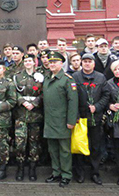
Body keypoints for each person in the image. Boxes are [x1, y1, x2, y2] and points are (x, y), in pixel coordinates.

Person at [72, 53, 109, 185]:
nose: (87, 63)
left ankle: (95, 173)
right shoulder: (75, 77)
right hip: (80, 118)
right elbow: (72, 97)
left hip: (96, 118)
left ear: (94, 63)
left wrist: (97, 106)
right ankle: (80, 173)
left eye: (90, 61)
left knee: (95, 147)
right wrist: (75, 115)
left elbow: (106, 94)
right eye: (85, 61)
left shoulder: (100, 77)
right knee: (80, 145)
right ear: (81, 63)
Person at [43, 51, 79, 188]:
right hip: (49, 121)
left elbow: (73, 102)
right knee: (52, 149)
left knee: (64, 150)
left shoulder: (67, 79)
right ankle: (56, 172)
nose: (51, 64)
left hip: (63, 121)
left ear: (61, 63)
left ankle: (66, 175)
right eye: (50, 62)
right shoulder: (47, 78)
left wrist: (71, 121)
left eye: (54, 62)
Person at [13, 54, 44, 181]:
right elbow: (13, 91)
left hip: (35, 115)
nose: (28, 63)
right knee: (20, 143)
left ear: (34, 62)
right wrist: (22, 101)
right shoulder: (17, 76)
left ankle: (32, 168)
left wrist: (35, 103)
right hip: (21, 114)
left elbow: (44, 93)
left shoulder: (40, 77)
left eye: (30, 61)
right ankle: (20, 167)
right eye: (26, 61)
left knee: (34, 143)